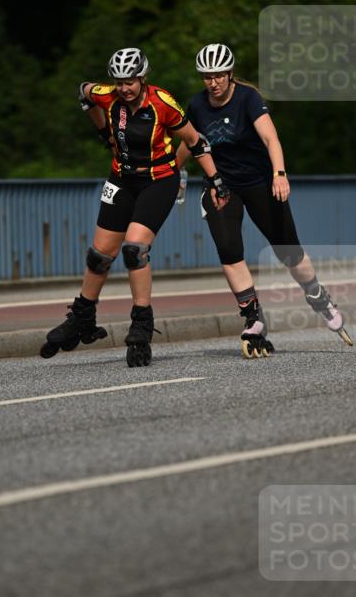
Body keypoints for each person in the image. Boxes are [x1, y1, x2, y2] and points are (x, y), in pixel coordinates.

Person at [41, 47, 231, 367]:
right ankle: (82, 317)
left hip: (159, 180)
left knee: (134, 250)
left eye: (130, 81)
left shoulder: (162, 103)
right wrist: (104, 131)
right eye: (119, 82)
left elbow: (196, 142)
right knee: (99, 255)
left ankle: (141, 326)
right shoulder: (108, 95)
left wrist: (216, 180)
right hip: (121, 180)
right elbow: (84, 92)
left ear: (143, 77)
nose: (124, 87)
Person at [176, 42, 352, 357]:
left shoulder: (248, 98)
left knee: (289, 252)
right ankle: (253, 316)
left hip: (259, 182)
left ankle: (317, 296)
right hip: (221, 186)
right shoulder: (197, 105)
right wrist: (173, 173)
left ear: (229, 74)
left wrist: (280, 175)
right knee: (229, 250)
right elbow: (190, 142)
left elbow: (271, 138)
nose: (212, 83)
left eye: (218, 76)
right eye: (206, 76)